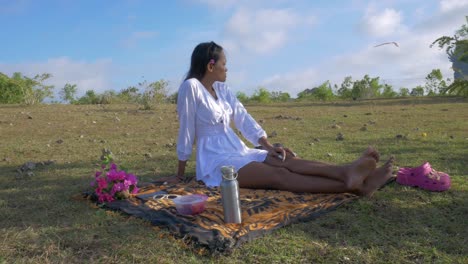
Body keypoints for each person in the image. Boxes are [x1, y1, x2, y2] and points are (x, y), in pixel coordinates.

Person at [175, 41, 394, 196]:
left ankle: (347, 172)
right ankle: (354, 186)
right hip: (216, 160)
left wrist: (268, 146)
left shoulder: (222, 89)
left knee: (285, 160)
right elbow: (186, 130)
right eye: (224, 63)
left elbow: (242, 117)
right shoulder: (191, 87)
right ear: (210, 66)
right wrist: (180, 174)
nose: (227, 68)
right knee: (278, 175)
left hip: (238, 150)